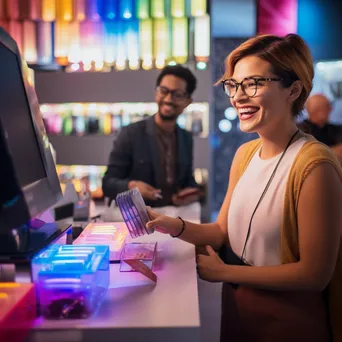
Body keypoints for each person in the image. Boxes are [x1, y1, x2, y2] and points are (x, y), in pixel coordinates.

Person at [145, 34, 342, 342]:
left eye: (253, 84)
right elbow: (222, 231)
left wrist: (225, 272)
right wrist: (172, 225)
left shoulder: (315, 165)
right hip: (237, 311)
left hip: (288, 323)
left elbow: (315, 275)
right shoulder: (245, 154)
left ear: (293, 90)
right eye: (233, 85)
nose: (237, 96)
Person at [102, 65, 200, 207]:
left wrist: (189, 194)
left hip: (173, 218)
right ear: (156, 93)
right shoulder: (130, 134)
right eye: (163, 91)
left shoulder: (186, 138)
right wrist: (132, 186)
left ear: (188, 101)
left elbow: (187, 180)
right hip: (139, 219)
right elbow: (108, 184)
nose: (168, 99)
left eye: (177, 94)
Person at [298, 93, 342, 162]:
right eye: (327, 106)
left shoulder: (334, 129)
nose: (331, 109)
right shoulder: (300, 131)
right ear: (316, 110)